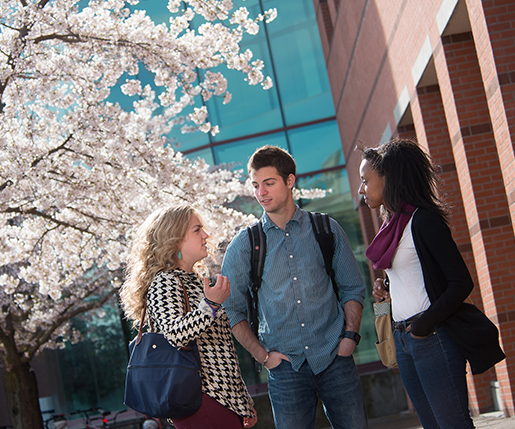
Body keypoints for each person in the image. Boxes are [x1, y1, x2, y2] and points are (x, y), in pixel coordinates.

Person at [221, 145, 368, 429]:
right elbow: (231, 310)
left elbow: (352, 287)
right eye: (255, 185)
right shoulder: (243, 245)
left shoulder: (326, 229)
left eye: (269, 183)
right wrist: (263, 357)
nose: (261, 192)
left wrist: (349, 337)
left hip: (335, 358)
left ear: (290, 181)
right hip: (284, 369)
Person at [359, 138, 476, 428]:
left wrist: (424, 325)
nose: (361, 188)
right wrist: (386, 293)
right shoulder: (391, 227)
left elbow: (461, 282)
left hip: (431, 336)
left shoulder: (424, 222)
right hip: (403, 340)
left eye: (365, 180)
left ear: (388, 178)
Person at [120, 205, 257, 429]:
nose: (206, 235)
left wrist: (242, 400)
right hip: (199, 398)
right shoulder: (165, 281)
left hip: (220, 399)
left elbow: (221, 349)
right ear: (175, 240)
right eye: (197, 230)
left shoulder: (191, 279)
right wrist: (211, 304)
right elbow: (174, 334)